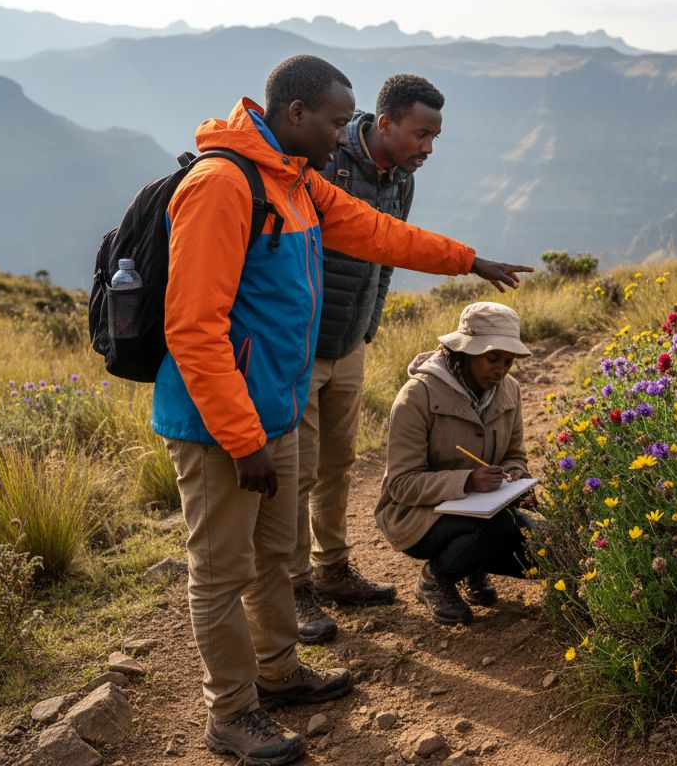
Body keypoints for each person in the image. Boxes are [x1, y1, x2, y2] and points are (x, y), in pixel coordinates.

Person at [154, 55, 530, 766]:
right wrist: (242, 439)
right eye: (333, 121)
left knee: (273, 555)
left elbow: (379, 234)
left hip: (274, 411)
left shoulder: (295, 183)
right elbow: (192, 328)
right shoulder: (220, 186)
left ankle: (280, 672)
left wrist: (468, 260)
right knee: (221, 573)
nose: (342, 135)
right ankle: (231, 713)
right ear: (295, 116)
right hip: (218, 426)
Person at [290, 74, 447, 645]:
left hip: (349, 343)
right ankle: (294, 586)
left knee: (338, 461)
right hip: (302, 349)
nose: (428, 147)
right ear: (385, 124)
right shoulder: (327, 163)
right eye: (421, 133)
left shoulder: (399, 179)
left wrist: (368, 326)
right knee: (297, 471)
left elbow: (386, 256)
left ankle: (332, 569)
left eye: (434, 136)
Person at [374, 302, 535, 626]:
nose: (501, 370)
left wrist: (517, 473)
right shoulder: (416, 396)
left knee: (544, 551)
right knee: (497, 528)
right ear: (464, 352)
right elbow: (401, 483)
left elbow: (515, 453)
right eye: (492, 358)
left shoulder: (510, 391)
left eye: (508, 361)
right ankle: (435, 579)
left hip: (484, 508)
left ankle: (471, 566)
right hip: (414, 514)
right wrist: (468, 481)